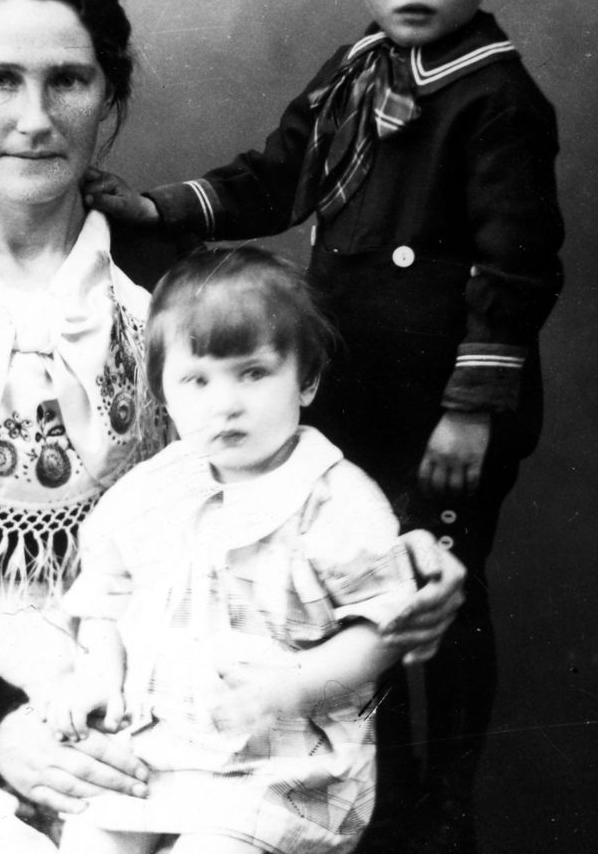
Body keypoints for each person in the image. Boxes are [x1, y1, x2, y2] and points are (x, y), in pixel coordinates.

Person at [0, 0, 463, 853]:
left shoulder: (170, 280)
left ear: (108, 93)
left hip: (151, 675)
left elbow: (296, 455)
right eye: (0, 79)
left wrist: (409, 548)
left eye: (68, 81)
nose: (35, 119)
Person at [82, 0, 565, 854]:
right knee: (348, 590)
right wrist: (160, 206)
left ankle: (445, 802)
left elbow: (520, 268)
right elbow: (276, 175)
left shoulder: (497, 99)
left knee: (432, 595)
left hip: (444, 407)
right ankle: (374, 788)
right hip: (346, 386)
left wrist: (469, 409)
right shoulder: (355, 68)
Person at [47, 245, 416, 854]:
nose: (226, 403)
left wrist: (295, 684)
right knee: (88, 841)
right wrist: (100, 673)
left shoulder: (333, 500)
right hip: (155, 748)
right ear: (164, 393)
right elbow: (105, 597)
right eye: (197, 380)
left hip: (278, 767)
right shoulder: (150, 491)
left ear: (307, 380)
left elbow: (384, 628)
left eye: (253, 373)